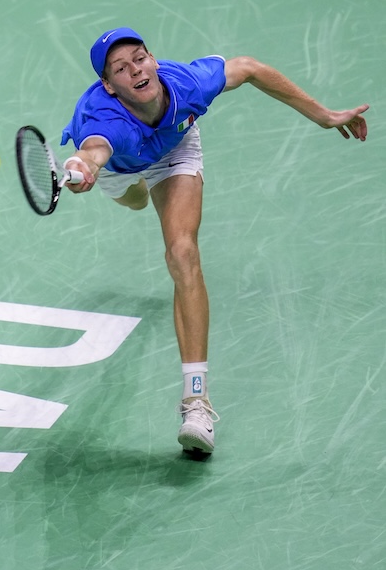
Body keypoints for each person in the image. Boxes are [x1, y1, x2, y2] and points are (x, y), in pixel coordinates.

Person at [60, 27, 368, 454]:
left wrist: (323, 115)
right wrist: (83, 166)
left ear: (153, 59)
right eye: (121, 68)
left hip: (174, 148)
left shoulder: (187, 85)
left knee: (182, 252)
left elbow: (249, 68)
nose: (137, 70)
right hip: (119, 165)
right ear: (109, 86)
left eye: (140, 58)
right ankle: (140, 192)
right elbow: (94, 151)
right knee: (134, 200)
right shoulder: (105, 122)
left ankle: (196, 403)